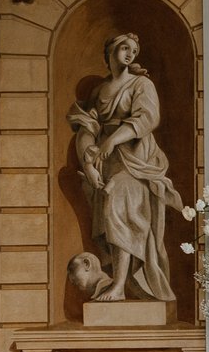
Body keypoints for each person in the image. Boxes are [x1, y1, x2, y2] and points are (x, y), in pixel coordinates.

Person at [65, 31, 180, 301]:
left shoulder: (141, 84)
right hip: (108, 164)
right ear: (111, 51)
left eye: (134, 51)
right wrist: (89, 165)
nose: (130, 54)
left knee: (118, 208)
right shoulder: (99, 91)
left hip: (137, 162)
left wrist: (112, 140)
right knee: (110, 215)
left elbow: (147, 119)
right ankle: (124, 283)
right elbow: (87, 130)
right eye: (125, 48)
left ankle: (118, 286)